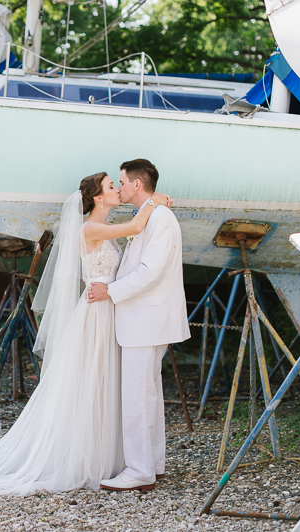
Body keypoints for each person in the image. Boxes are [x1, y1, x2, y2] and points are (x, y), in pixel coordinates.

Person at [0, 171, 171, 496]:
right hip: (96, 315)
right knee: (92, 383)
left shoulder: (106, 232)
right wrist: (154, 201)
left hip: (111, 309)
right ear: (97, 198)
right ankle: (87, 460)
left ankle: (112, 458)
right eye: (111, 187)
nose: (117, 190)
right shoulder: (91, 228)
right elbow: (136, 226)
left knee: (108, 383)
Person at [87, 159, 190, 492]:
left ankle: (139, 470)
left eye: (121, 181)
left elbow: (150, 272)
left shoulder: (159, 218)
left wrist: (110, 291)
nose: (119, 187)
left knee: (137, 396)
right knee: (149, 395)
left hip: (146, 320)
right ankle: (153, 464)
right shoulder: (150, 214)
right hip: (143, 320)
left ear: (136, 184)